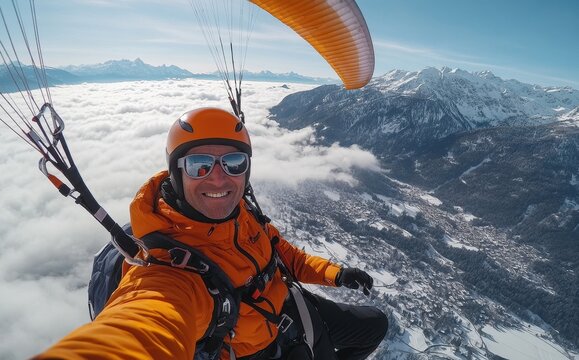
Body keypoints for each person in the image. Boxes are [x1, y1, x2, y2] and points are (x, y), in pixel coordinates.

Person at [35, 107, 388, 359]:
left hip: (288, 312)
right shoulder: (169, 265)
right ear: (176, 173)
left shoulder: (243, 214)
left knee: (375, 325)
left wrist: (336, 274)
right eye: (199, 164)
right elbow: (149, 318)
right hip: (249, 348)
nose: (218, 178)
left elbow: (283, 254)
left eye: (233, 163)